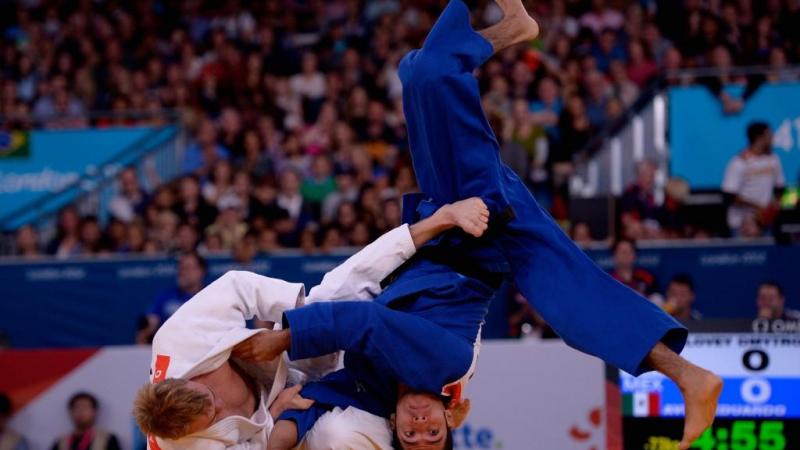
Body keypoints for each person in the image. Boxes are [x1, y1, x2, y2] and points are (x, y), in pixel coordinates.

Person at [261, 2, 720, 450]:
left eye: (412, 436)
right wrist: (282, 337)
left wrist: (277, 419)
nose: (420, 426)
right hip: (477, 229)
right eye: (434, 433)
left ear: (395, 428)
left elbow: (308, 404)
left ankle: (513, 27)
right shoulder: (443, 368)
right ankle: (688, 375)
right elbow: (360, 322)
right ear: (451, 416)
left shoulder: (371, 386)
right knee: (435, 72)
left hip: (446, 220)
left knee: (417, 71)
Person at [132, 198, 490, 450]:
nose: (222, 411)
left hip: (281, 357)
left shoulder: (179, 339)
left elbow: (238, 288)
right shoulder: (187, 446)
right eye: (212, 420)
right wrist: (274, 412)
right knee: (338, 437)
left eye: (212, 402)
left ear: (191, 380)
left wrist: (299, 320)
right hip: (288, 401)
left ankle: (438, 220)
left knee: (332, 296)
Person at [722, 122, 785, 235]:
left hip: (766, 223)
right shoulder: (739, 162)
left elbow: (780, 188)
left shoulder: (773, 159)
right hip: (741, 225)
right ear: (759, 138)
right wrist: (758, 207)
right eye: (769, 136)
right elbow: (729, 196)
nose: (772, 139)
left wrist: (774, 206)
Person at [136, 251, 207, 345]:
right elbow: (151, 321)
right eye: (180, 268)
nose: (182, 272)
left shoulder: (210, 298)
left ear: (200, 271)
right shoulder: (166, 297)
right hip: (171, 352)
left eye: (187, 268)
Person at [51, 393, 120, 450]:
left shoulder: (107, 439)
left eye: (85, 407)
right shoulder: (61, 441)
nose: (81, 411)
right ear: (71, 412)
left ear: (94, 412)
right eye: (77, 407)